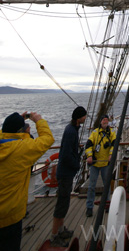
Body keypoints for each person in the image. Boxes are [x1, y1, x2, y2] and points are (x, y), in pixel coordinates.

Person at [0, 111, 54, 251]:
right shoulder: (22, 149)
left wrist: (15, 123)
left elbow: (6, 134)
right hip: (9, 217)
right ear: (21, 131)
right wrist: (39, 121)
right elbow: (47, 139)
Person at [50, 106, 87, 247]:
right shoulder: (71, 131)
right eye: (84, 116)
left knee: (64, 203)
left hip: (67, 173)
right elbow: (65, 155)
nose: (85, 118)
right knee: (61, 204)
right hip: (65, 173)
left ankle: (60, 230)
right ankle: (54, 235)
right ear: (79, 118)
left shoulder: (72, 129)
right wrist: (76, 165)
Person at [85, 114, 116, 217]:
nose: (105, 121)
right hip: (95, 164)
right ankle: (89, 207)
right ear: (101, 122)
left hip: (105, 163)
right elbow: (88, 145)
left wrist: (111, 154)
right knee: (91, 186)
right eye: (103, 120)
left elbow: (114, 144)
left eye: (106, 120)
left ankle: (107, 205)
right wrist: (89, 156)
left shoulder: (111, 133)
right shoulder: (94, 133)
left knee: (106, 186)